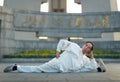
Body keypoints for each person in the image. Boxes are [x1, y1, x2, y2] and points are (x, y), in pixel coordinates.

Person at [4, 39, 106, 73]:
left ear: (89, 50)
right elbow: (62, 42)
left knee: (87, 68)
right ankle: (16, 67)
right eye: (86, 45)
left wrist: (92, 56)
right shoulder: (75, 46)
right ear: (83, 45)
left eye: (89, 47)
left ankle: (100, 69)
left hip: (63, 71)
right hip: (57, 63)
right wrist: (58, 51)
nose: (86, 47)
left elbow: (91, 65)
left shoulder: (85, 59)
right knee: (39, 69)